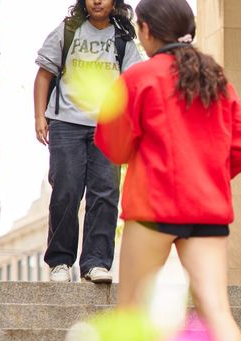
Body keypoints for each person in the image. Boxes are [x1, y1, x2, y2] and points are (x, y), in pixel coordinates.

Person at [94, 0, 241, 341]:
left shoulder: (139, 78)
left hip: (154, 205)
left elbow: (112, 145)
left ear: (145, 29)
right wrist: (210, 175)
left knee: (130, 311)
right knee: (216, 308)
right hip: (207, 209)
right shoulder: (217, 79)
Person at [34, 0, 143, 284]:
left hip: (108, 128)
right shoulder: (67, 30)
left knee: (105, 195)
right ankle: (60, 262)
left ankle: (96, 262)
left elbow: (134, 87)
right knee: (66, 192)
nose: (97, 1)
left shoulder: (123, 38)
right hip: (66, 124)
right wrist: (39, 117)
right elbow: (44, 75)